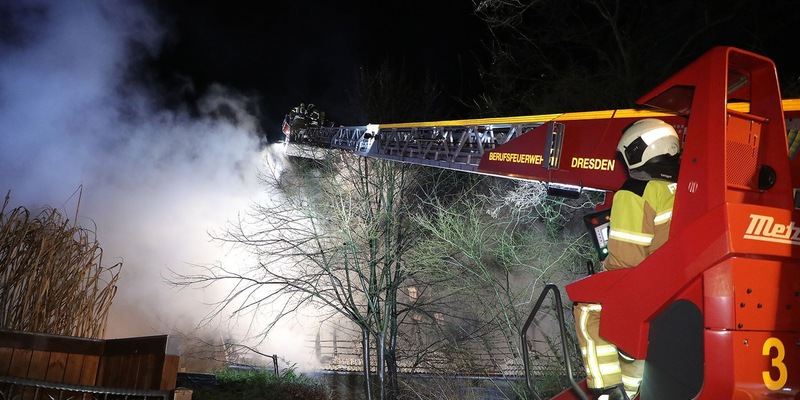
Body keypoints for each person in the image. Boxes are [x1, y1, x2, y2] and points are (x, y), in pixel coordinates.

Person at [573, 118, 681, 400]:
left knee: (587, 309)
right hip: (678, 287)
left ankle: (607, 392)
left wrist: (602, 278)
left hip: (649, 291)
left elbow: (625, 259)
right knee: (635, 345)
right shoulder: (687, 186)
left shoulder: (635, 192)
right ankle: (631, 389)